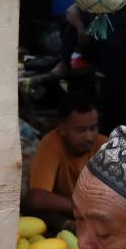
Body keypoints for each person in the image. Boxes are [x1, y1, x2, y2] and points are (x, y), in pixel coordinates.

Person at [53, 0, 126, 132]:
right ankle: (64, 62)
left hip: (115, 52)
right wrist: (81, 28)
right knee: (70, 25)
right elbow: (70, 11)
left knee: (113, 88)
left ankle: (108, 129)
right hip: (94, 46)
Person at [25, 89, 105, 222]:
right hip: (67, 215)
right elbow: (36, 198)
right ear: (62, 128)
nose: (89, 137)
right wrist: (83, 208)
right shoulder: (51, 145)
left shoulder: (104, 145)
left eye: (93, 128)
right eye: (81, 130)